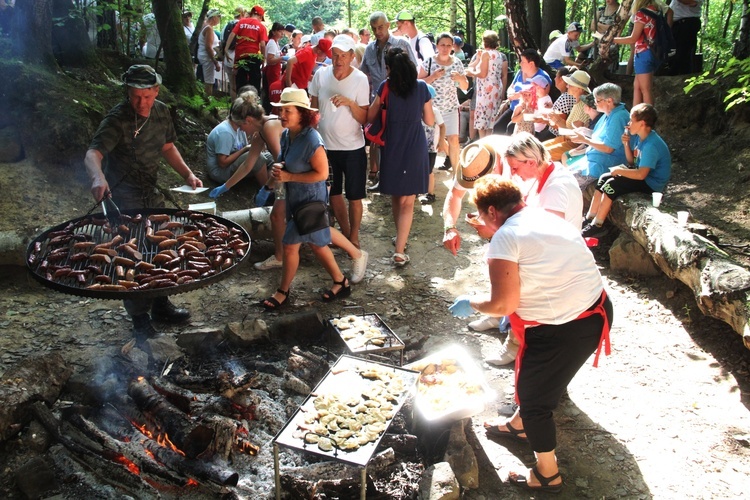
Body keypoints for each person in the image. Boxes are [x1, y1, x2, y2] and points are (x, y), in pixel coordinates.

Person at [449, 176, 613, 494]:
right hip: (594, 308)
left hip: (568, 327)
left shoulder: (505, 238)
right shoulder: (539, 215)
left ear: (493, 211)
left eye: (482, 216)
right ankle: (520, 425)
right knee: (533, 387)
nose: (480, 223)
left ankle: (547, 473)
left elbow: (503, 303)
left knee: (536, 398)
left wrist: (471, 301)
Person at [84, 65, 202, 341]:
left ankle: (161, 304)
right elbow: (93, 153)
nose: (141, 103)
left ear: (156, 91)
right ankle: (139, 319)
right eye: (135, 96)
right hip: (123, 196)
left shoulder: (160, 112)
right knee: (132, 254)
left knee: (162, 243)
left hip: (150, 192)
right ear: (128, 92)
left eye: (146, 96)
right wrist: (97, 178)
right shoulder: (117, 118)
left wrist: (187, 174)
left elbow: (168, 147)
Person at [459, 132, 585, 365]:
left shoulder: (556, 188)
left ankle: (513, 342)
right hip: (547, 252)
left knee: (513, 271)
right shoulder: (538, 176)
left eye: (515, 168)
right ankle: (497, 315)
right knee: (502, 261)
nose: (513, 173)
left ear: (530, 161)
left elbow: (542, 241)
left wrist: (497, 230)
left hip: (557, 264)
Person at [261, 88, 355, 309]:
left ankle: (282, 292)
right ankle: (341, 281)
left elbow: (322, 174)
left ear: (302, 113)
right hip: (296, 199)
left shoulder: (312, 139)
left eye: (288, 111)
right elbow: (286, 160)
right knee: (318, 244)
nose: (282, 115)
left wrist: (288, 175)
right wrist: (279, 167)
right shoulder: (287, 135)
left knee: (290, 244)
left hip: (311, 202)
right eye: (281, 110)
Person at [367, 47, 434, 266]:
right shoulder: (422, 87)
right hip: (414, 143)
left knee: (398, 195)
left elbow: (372, 114)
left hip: (392, 144)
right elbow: (430, 120)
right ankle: (399, 250)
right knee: (408, 201)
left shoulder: (385, 87)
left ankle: (400, 240)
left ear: (389, 68)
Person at [309, 35, 371, 250]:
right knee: (333, 194)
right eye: (335, 55)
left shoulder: (360, 79)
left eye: (344, 55)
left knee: (354, 196)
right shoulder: (321, 75)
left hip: (352, 147)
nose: (339, 60)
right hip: (326, 147)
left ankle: (354, 237)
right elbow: (313, 109)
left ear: (352, 56)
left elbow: (364, 118)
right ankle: (345, 234)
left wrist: (349, 103)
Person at [582, 103, 671, 237]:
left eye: (631, 120)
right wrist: (626, 144)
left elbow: (641, 175)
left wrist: (620, 171)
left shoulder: (651, 145)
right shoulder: (641, 138)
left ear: (641, 123)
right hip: (644, 176)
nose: (628, 123)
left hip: (651, 184)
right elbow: (632, 162)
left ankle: (598, 224)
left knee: (611, 185)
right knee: (604, 178)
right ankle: (590, 217)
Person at [360, 12, 416, 188]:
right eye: (374, 28)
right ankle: (385, 178)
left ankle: (405, 178)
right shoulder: (369, 49)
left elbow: (413, 72)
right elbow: (363, 75)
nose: (378, 31)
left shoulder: (402, 44)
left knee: (401, 141)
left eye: (381, 27)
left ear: (388, 25)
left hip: (400, 101)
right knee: (380, 141)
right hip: (378, 101)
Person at [417, 32, 469, 173]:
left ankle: (457, 174)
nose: (445, 48)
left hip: (451, 107)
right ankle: (439, 165)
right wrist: (433, 76)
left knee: (454, 140)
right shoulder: (429, 62)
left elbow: (465, 87)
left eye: (448, 45)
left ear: (452, 46)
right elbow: (418, 83)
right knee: (436, 142)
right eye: (442, 45)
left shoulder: (457, 63)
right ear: (437, 46)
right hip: (432, 109)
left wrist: (460, 78)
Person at [565, 82, 630, 189]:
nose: (595, 103)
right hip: (593, 159)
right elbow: (602, 136)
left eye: (597, 100)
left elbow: (608, 148)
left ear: (609, 101)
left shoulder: (618, 117)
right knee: (561, 176)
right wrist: (586, 131)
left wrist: (585, 140)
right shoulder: (609, 114)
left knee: (565, 184)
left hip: (603, 163)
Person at [205, 97, 273, 185]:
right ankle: (266, 189)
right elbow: (222, 163)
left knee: (268, 156)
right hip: (221, 172)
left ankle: (274, 186)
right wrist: (244, 149)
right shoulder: (225, 132)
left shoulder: (239, 128)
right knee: (258, 158)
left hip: (232, 164)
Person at [613, 1, 662, 105]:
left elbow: (633, 38)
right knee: (637, 86)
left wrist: (613, 39)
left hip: (643, 52)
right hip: (652, 51)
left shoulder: (641, 14)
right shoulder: (655, 10)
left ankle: (648, 117)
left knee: (646, 89)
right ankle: (635, 114)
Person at [494, 49, 552, 135]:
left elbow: (542, 96)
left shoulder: (542, 78)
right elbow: (511, 87)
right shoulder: (520, 72)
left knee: (510, 128)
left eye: (522, 61)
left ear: (531, 64)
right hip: (514, 107)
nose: (520, 63)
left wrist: (519, 96)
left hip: (528, 112)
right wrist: (510, 94)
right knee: (498, 127)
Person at [466, 30, 507, 140]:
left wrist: (471, 73)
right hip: (496, 88)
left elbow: (482, 74)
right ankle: (489, 142)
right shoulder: (499, 55)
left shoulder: (486, 54)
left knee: (482, 118)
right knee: (491, 118)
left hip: (485, 90)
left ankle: (483, 142)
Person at [542, 69, 592, 158]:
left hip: (574, 144)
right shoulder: (577, 102)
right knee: (539, 149)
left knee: (541, 155)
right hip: (566, 139)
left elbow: (575, 137)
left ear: (580, 89)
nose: (567, 86)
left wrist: (557, 121)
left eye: (571, 84)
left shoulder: (584, 106)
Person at [225, 5, 268, 96]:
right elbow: (263, 45)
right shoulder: (261, 26)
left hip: (241, 57)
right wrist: (263, 58)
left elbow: (232, 35)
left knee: (240, 84)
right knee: (255, 83)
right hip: (254, 57)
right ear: (260, 16)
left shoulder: (241, 22)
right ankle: (254, 104)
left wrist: (225, 49)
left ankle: (240, 103)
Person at [419, 84, 448, 205]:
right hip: (418, 147)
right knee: (418, 169)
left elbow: (442, 126)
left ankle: (430, 194)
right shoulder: (415, 110)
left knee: (429, 171)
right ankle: (417, 190)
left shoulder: (435, 111)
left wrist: (441, 141)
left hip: (430, 148)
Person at [670, 0, 702, 75]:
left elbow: (691, 2)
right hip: (678, 25)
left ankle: (680, 77)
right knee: (675, 53)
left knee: (683, 54)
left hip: (687, 24)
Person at [197, 9, 222, 96]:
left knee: (207, 80)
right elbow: (208, 47)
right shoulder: (209, 29)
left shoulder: (205, 25)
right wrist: (215, 62)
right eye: (219, 17)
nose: (219, 20)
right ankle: (207, 102)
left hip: (204, 56)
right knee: (209, 82)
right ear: (214, 17)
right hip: (207, 58)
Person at [263, 22, 285, 111]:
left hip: (276, 69)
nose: (282, 34)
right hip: (272, 70)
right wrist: (281, 58)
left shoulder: (276, 43)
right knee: (272, 90)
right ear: (274, 32)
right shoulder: (272, 43)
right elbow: (270, 60)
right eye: (280, 32)